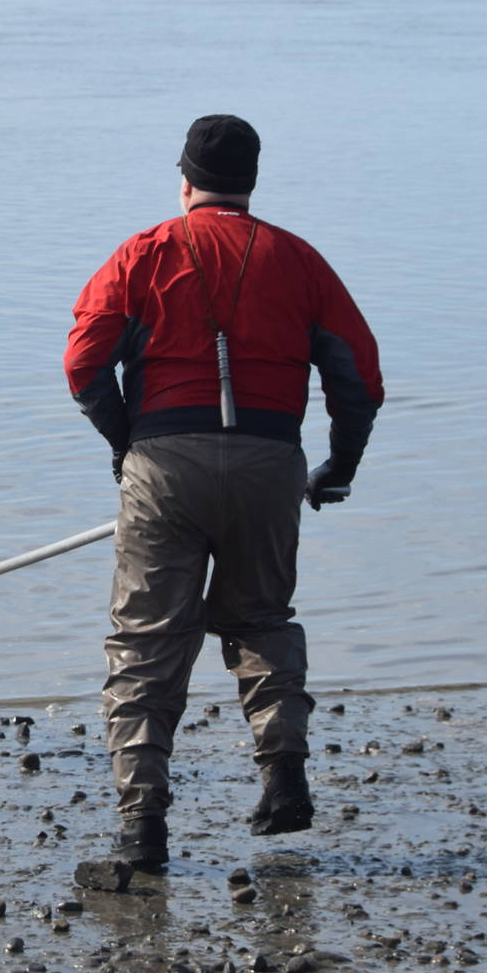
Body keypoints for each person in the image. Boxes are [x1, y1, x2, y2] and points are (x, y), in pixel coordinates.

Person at [64, 114, 383, 874]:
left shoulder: (144, 252)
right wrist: (338, 468)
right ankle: (283, 776)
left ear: (184, 180)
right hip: (271, 460)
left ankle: (142, 830)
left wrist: (125, 441)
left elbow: (83, 364)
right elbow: (359, 381)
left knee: (145, 643)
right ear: (253, 181)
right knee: (261, 617)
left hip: (164, 462)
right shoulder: (299, 259)